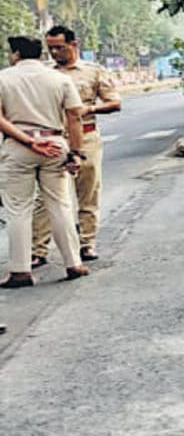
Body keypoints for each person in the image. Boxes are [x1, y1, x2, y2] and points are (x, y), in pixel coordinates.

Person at [0, 35, 90, 287]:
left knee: (18, 209)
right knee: (60, 204)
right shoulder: (60, 79)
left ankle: (21, 270)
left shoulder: (3, 78)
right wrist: (75, 152)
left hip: (18, 146)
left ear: (16, 54)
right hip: (54, 144)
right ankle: (74, 262)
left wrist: (28, 141)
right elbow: (74, 117)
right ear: (40, 53)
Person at [29, 26, 120, 266]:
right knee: (45, 197)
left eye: (60, 47)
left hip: (87, 136)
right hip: (56, 139)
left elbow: (114, 102)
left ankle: (87, 243)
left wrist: (88, 109)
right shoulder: (46, 75)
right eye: (51, 48)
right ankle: (38, 249)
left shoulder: (93, 72)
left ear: (74, 44)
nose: (55, 53)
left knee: (87, 192)